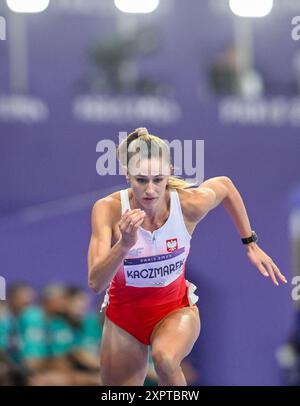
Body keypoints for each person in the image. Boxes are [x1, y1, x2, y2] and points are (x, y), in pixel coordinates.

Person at [88, 127, 287, 386]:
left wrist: (250, 243)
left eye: (158, 180)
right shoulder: (108, 209)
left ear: (169, 173)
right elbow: (95, 283)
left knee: (165, 359)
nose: (150, 190)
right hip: (124, 318)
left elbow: (225, 186)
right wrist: (124, 245)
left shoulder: (188, 204)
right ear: (127, 176)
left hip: (174, 310)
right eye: (141, 180)